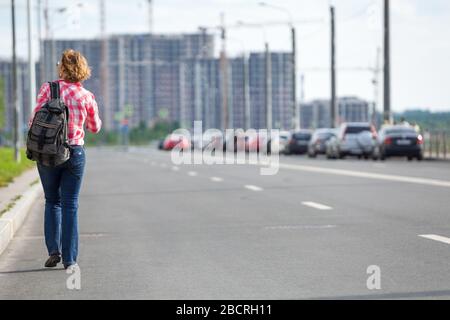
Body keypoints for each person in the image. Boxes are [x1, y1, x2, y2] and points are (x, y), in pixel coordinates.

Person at [29, 49, 102, 271]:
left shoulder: (48, 89)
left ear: (61, 67)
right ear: (83, 69)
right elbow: (95, 127)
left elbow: (34, 119)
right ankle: (70, 259)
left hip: (48, 151)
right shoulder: (86, 96)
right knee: (70, 204)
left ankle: (53, 251)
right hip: (74, 153)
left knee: (52, 201)